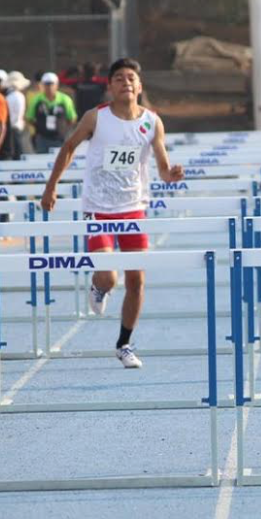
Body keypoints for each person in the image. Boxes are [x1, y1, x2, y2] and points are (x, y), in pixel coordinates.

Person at [40, 58, 184, 369]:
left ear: (140, 86)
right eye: (119, 78)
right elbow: (67, 148)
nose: (126, 82)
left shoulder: (152, 122)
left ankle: (124, 343)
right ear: (110, 86)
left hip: (133, 208)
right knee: (109, 275)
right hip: (98, 208)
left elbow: (161, 166)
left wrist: (170, 174)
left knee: (137, 281)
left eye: (131, 78)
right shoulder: (96, 118)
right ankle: (99, 285)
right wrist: (51, 188)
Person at [26, 72, 77, 154]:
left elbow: (72, 118)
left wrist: (63, 129)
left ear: (57, 85)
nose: (49, 87)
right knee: (42, 162)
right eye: (46, 84)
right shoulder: (36, 100)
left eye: (51, 84)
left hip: (60, 139)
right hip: (42, 139)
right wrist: (39, 126)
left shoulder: (65, 100)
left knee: (59, 161)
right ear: (42, 85)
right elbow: (29, 117)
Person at [3, 70, 31, 159]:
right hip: (15, 129)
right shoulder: (18, 96)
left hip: (12, 129)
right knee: (17, 155)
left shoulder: (9, 96)